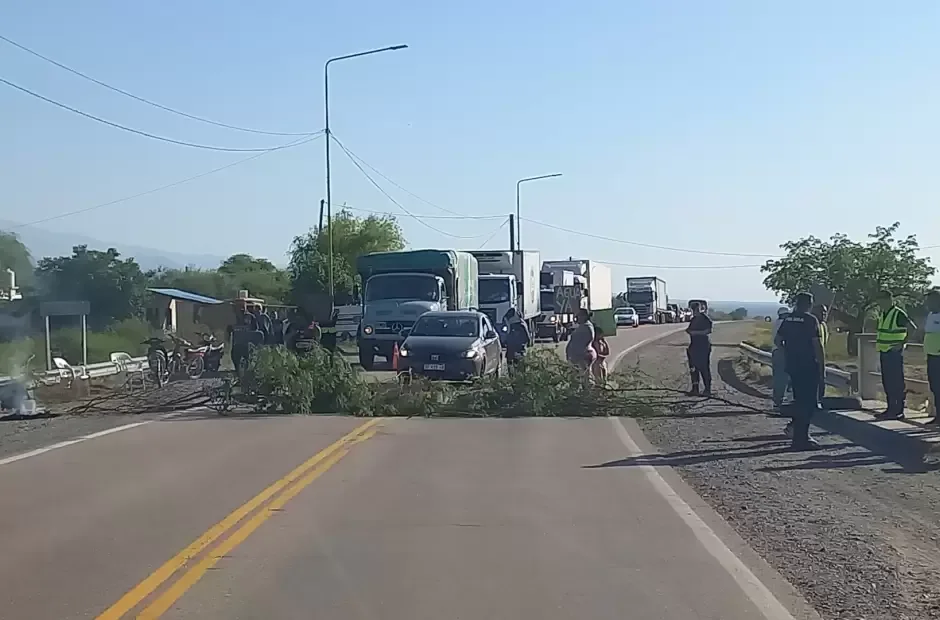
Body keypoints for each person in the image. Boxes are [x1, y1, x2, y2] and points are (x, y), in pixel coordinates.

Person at [775, 292, 825, 450]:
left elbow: (777, 340)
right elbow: (817, 345)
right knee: (808, 403)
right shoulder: (811, 320)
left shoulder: (787, 319)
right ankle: (801, 438)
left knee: (798, 400)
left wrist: (789, 351)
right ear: (809, 304)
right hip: (808, 366)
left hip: (792, 365)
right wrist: (822, 367)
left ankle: (799, 435)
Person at [874, 290, 914, 420]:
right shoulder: (883, 314)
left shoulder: (898, 313)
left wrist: (902, 344)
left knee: (896, 382)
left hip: (894, 353)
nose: (880, 302)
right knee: (887, 381)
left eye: (882, 299)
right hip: (884, 351)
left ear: (889, 299)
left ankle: (899, 410)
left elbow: (912, 328)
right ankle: (890, 408)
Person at [686, 301, 713, 396]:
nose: (695, 311)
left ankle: (707, 389)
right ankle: (695, 389)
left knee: (704, 368)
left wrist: (696, 333)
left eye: (696, 309)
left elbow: (708, 330)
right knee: (693, 369)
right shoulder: (693, 320)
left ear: (700, 309)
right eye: (693, 310)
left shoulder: (705, 319)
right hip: (694, 346)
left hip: (703, 346)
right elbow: (689, 330)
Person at [565, 308, 597, 385]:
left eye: (579, 316)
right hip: (578, 355)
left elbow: (582, 342)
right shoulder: (583, 326)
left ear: (584, 316)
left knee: (585, 376)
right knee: (579, 376)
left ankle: (588, 392)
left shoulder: (586, 327)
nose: (577, 317)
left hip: (583, 355)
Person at [924, 290, 940, 424]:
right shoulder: (930, 315)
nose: (928, 304)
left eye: (931, 301)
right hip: (931, 355)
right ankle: (938, 416)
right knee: (935, 387)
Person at [771, 306, 790, 410]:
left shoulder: (776, 322)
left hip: (775, 352)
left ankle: (777, 402)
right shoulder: (784, 324)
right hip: (782, 352)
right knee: (782, 379)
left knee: (778, 378)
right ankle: (782, 402)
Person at [811, 304, 830, 405]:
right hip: (812, 358)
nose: (823, 314)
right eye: (821, 312)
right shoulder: (812, 324)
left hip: (821, 356)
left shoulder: (823, 325)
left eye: (825, 312)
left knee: (822, 379)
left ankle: (820, 401)